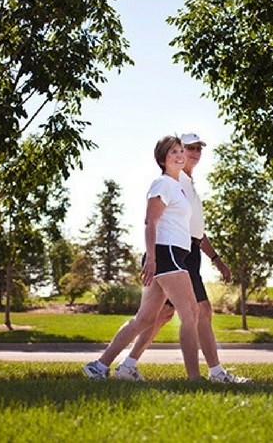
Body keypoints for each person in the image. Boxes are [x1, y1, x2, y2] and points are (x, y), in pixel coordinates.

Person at [112, 133, 250, 383]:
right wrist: (152, 256)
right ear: (175, 153)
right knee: (200, 311)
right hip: (176, 254)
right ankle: (213, 373)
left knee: (161, 316)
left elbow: (196, 229)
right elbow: (153, 220)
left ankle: (125, 365)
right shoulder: (173, 181)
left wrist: (216, 258)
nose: (194, 153)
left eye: (199, 148)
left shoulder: (187, 184)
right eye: (188, 148)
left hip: (188, 252)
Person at [83, 135, 202, 380]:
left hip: (171, 254)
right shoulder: (162, 184)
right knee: (191, 312)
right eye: (173, 152)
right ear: (162, 158)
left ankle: (99, 366)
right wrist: (151, 259)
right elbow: (150, 222)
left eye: (181, 150)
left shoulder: (177, 185)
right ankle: (194, 379)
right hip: (165, 253)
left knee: (146, 318)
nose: (180, 155)